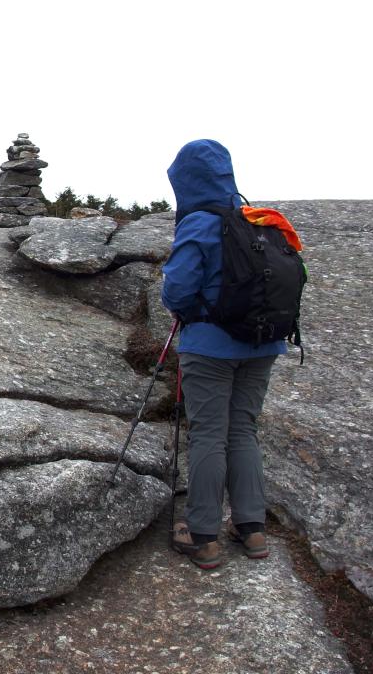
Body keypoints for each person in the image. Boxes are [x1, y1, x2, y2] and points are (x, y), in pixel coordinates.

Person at [161, 139, 284, 569]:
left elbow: (176, 289)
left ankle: (203, 536)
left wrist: (192, 312)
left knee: (209, 434)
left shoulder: (199, 222)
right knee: (243, 430)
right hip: (263, 343)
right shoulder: (256, 219)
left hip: (211, 347)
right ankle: (252, 530)